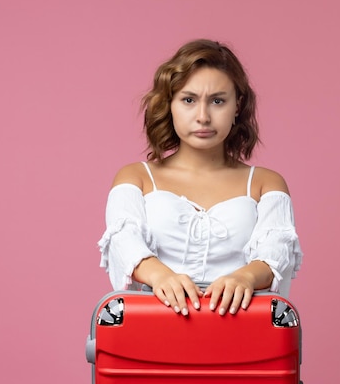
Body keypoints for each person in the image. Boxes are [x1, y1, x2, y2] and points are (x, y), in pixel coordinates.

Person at [98, 39, 302, 317]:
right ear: (170, 104)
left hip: (242, 335)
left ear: (237, 107)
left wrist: (245, 278)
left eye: (218, 101)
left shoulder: (267, 184)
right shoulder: (136, 177)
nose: (203, 116)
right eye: (189, 100)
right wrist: (160, 276)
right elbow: (123, 243)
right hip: (152, 334)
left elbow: (276, 253)